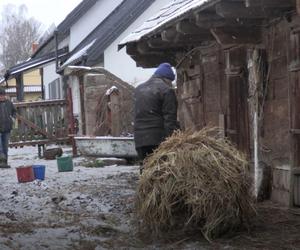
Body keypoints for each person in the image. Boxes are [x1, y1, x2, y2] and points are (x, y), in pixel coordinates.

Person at [134, 63, 179, 170]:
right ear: (167, 78)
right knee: (160, 170)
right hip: (157, 138)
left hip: (140, 138)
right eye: (170, 82)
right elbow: (169, 118)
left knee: (145, 169)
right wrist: (172, 140)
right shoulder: (166, 90)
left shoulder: (139, 89)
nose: (171, 84)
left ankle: (145, 187)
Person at [0, 87, 16, 168]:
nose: (1, 97)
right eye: (0, 95)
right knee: (0, 147)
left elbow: (14, 111)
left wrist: (13, 118)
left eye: (2, 95)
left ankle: (5, 163)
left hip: (7, 128)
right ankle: (1, 162)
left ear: (5, 95)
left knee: (5, 147)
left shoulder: (9, 103)